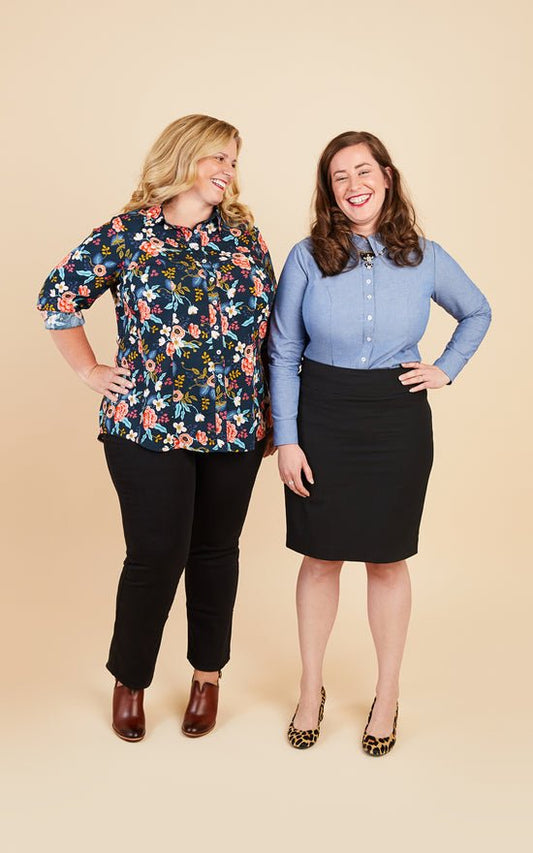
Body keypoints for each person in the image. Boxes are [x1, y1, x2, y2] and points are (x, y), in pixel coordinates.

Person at [37, 114, 276, 742]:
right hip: (148, 424)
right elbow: (57, 297)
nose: (228, 171)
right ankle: (131, 679)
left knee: (216, 552)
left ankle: (207, 677)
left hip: (236, 425)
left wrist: (274, 413)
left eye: (233, 161)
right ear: (183, 157)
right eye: (217, 157)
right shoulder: (127, 233)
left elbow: (273, 331)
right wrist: (89, 369)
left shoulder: (245, 237)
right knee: (156, 554)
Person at [268, 130, 491, 754]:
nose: (354, 185)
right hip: (322, 415)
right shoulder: (306, 257)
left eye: (364, 171)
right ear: (329, 191)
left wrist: (445, 367)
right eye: (339, 176)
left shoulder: (426, 256)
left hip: (396, 419)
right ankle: (310, 689)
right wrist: (287, 438)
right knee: (320, 557)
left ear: (387, 177)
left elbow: (477, 311)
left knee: (388, 560)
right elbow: (282, 349)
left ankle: (387, 695)